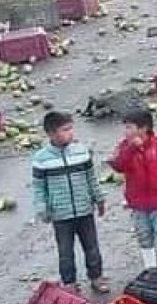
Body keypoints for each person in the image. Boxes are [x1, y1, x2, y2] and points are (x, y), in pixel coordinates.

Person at [32, 111, 109, 293]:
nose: (70, 133)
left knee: (92, 248)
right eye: (65, 130)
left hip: (84, 210)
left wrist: (99, 198)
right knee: (65, 252)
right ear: (51, 134)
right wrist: (42, 208)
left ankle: (96, 277)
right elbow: (38, 187)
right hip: (61, 214)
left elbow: (91, 178)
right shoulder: (41, 159)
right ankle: (70, 283)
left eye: (70, 129)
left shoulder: (81, 152)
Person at [108, 109, 157, 269]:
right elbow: (119, 166)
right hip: (137, 203)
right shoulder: (124, 146)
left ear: (143, 128)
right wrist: (131, 149)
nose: (126, 132)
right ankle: (150, 269)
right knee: (144, 237)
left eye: (129, 127)